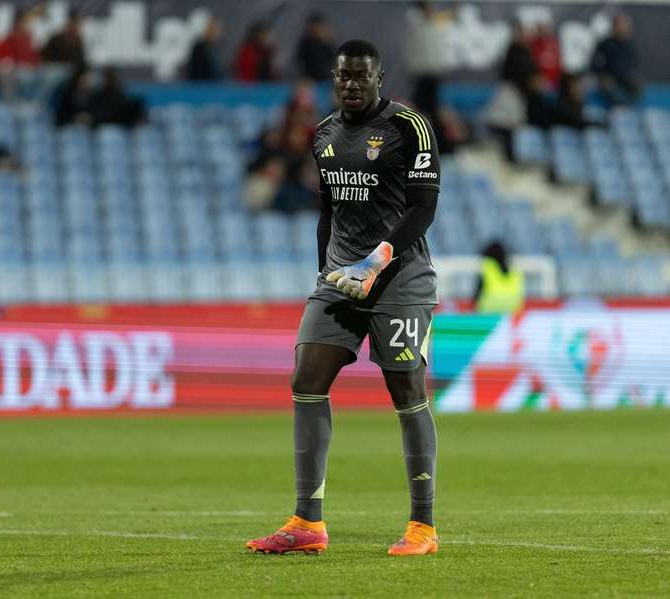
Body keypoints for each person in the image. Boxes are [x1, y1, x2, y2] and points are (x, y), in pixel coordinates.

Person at [246, 39, 441, 557]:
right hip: (340, 280)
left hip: (398, 280)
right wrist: (326, 273)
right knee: (306, 378)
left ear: (380, 78)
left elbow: (423, 208)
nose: (351, 85)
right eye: (343, 77)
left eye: (361, 76)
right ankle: (307, 521)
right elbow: (328, 211)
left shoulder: (409, 127)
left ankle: (423, 525)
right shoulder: (325, 133)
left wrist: (376, 260)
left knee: (406, 391)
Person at [404, 2, 451, 146]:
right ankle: (438, 145)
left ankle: (436, 143)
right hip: (423, 73)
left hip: (432, 73)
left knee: (428, 109)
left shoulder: (431, 25)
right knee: (426, 109)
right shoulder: (416, 24)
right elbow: (417, 51)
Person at [591, 13, 641, 107]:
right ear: (614, 26)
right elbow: (595, 63)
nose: (623, 28)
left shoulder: (630, 46)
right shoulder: (605, 44)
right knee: (610, 88)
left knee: (638, 85)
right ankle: (620, 108)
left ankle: (628, 108)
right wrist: (602, 76)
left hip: (625, 79)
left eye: (625, 26)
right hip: (609, 80)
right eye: (620, 25)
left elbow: (633, 65)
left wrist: (631, 77)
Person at [473, 241, 524, 314]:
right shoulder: (515, 271)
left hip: (489, 315)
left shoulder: (488, 267)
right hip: (511, 316)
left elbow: (477, 296)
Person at [295, 13, 336, 82]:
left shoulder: (327, 43)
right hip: (309, 79)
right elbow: (299, 58)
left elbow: (333, 59)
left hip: (325, 78)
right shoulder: (306, 42)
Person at [185, 16, 223, 81]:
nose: (217, 33)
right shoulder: (199, 49)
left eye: (218, 30)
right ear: (206, 30)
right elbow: (196, 73)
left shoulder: (213, 48)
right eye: (213, 29)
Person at [529, 22, 561, 91]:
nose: (543, 31)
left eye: (544, 28)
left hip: (554, 82)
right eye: (540, 29)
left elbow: (558, 63)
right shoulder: (533, 44)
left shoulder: (554, 43)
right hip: (538, 82)